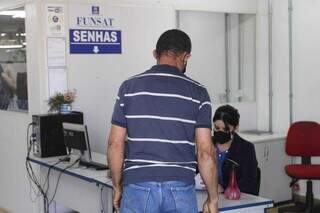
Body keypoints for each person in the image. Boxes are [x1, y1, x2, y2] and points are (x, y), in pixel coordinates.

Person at [107, 29, 218, 213]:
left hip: (138, 187)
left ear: (155, 54)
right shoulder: (198, 92)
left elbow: (115, 144)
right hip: (180, 188)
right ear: (186, 56)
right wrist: (212, 199)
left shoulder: (129, 88)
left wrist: (118, 186)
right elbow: (206, 152)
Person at [212, 105, 259, 195]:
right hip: (208, 195)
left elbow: (249, 182)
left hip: (235, 198)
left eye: (225, 129)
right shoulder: (207, 144)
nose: (220, 132)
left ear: (235, 128)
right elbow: (196, 171)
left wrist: (224, 188)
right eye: (217, 128)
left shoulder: (246, 148)